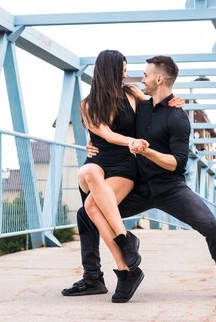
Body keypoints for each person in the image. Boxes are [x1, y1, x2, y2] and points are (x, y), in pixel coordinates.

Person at [62, 55, 216, 302]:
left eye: (145, 75)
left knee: (210, 225)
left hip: (169, 187)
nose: (140, 78)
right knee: (87, 212)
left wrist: (147, 150)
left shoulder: (177, 117)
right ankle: (93, 278)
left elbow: (178, 163)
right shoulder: (139, 106)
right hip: (139, 185)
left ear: (159, 79)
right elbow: (110, 129)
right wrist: (91, 142)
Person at [63, 50, 183, 303]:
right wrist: (131, 140)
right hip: (99, 160)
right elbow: (105, 133)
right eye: (123, 70)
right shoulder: (86, 104)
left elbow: (155, 106)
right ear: (109, 71)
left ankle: (125, 271)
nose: (127, 75)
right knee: (90, 171)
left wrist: (174, 101)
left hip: (124, 167)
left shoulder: (131, 93)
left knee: (90, 208)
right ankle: (125, 239)